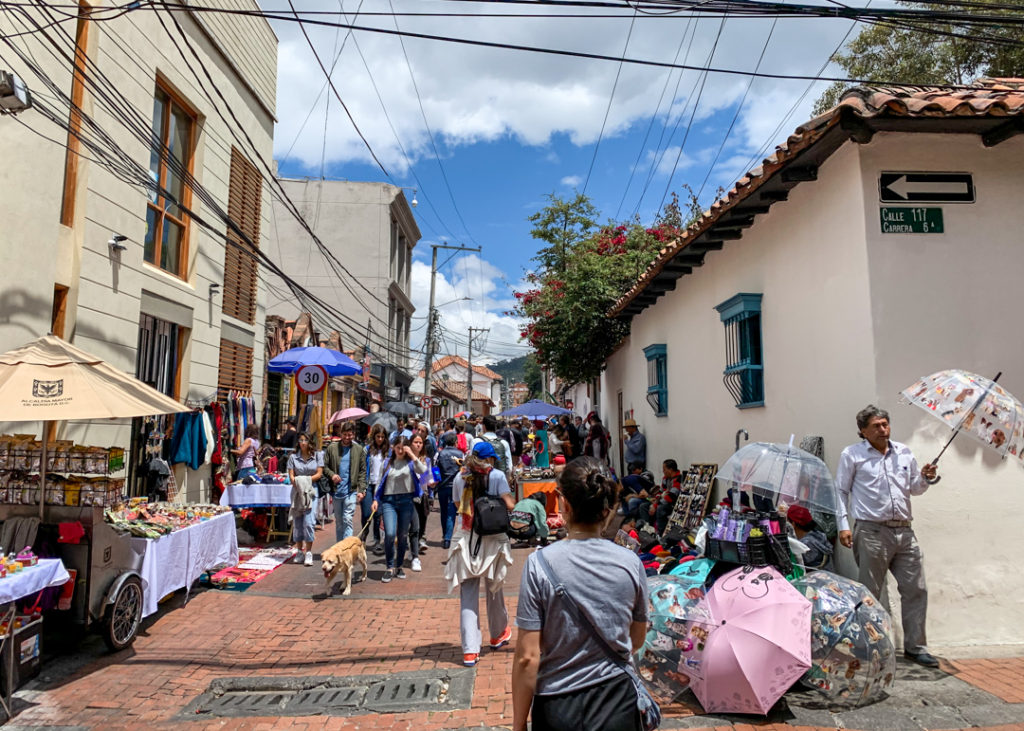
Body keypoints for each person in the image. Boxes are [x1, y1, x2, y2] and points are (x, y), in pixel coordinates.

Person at [512, 457, 649, 731]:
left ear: (566, 505)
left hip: (557, 704)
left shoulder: (539, 564)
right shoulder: (631, 563)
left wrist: (518, 724)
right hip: (617, 701)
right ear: (608, 510)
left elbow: (527, 657)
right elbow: (636, 638)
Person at [836, 404, 939, 668]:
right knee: (870, 592)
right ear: (863, 431)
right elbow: (841, 491)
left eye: (885, 424)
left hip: (905, 530)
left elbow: (915, 489)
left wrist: (926, 478)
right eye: (876, 426)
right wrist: (843, 525)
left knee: (916, 588)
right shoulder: (853, 455)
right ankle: (868, 646)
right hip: (872, 530)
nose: (883, 429)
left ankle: (916, 647)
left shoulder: (903, 452)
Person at [444, 441, 516, 667]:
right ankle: (498, 633)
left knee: (468, 592)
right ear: (490, 459)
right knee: (495, 588)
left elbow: (457, 504)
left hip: (466, 537)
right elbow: (509, 505)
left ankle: (469, 650)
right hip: (492, 538)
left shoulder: (460, 477)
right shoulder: (496, 476)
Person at [372, 436, 428, 582]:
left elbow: (423, 471)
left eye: (404, 448)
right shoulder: (387, 463)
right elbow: (379, 481)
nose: (401, 450)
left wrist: (412, 454)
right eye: (398, 448)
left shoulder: (410, 463)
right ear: (393, 447)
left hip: (406, 501)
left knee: (403, 535)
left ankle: (399, 566)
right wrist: (375, 499)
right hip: (389, 501)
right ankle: (389, 566)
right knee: (390, 534)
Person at [322, 420, 367, 542]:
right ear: (341, 434)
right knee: (339, 522)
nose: (348, 437)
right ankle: (339, 547)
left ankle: (346, 548)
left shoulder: (359, 449)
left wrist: (362, 489)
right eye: (345, 434)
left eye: (350, 434)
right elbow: (324, 467)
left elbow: (363, 471)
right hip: (336, 491)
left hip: (351, 491)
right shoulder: (332, 448)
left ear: (354, 435)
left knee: (347, 518)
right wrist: (332, 475)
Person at [287, 432, 322, 566]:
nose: (302, 443)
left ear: (309, 442)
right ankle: (299, 550)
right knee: (298, 522)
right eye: (300, 440)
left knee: (309, 521)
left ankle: (308, 552)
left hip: (312, 490)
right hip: (297, 491)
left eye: (305, 440)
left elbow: (319, 473)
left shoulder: (317, 456)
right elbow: (291, 476)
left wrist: (305, 480)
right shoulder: (293, 458)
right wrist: (298, 483)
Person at [407, 431, 435, 570]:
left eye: (420, 442)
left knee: (421, 525)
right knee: (413, 526)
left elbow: (429, 479)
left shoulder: (427, 460)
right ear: (410, 444)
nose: (418, 445)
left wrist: (432, 486)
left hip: (422, 495)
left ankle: (415, 547)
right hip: (408, 496)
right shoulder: (406, 459)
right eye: (415, 442)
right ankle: (414, 554)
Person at [435, 432, 463, 549]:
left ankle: (445, 535)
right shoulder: (460, 454)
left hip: (442, 486)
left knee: (444, 511)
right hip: (455, 486)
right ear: (455, 442)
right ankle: (447, 538)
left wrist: (435, 483)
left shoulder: (440, 454)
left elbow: (435, 469)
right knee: (451, 513)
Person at [364, 425, 389, 552]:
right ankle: (363, 536)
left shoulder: (388, 452)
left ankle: (377, 540)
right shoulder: (367, 450)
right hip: (369, 484)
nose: (380, 439)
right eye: (378, 436)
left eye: (382, 437)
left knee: (377, 514)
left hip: (381, 486)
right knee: (367, 513)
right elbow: (363, 468)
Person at [787, 505, 834, 571]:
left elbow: (791, 563)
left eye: (787, 520)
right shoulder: (818, 534)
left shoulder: (805, 545)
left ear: (793, 524)